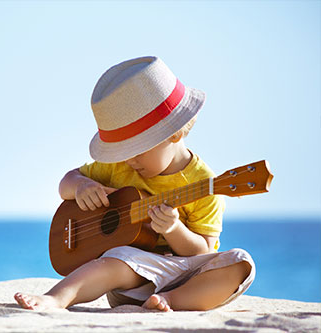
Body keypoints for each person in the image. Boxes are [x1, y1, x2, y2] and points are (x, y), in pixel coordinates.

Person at [14, 56, 255, 312]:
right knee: (116, 259)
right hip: (130, 275)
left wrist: (174, 230)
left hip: (183, 275)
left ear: (174, 133)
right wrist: (81, 185)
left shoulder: (206, 184)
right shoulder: (118, 166)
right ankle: (57, 298)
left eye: (137, 150)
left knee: (241, 263)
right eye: (122, 152)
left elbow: (201, 251)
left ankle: (170, 300)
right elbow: (66, 184)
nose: (129, 161)